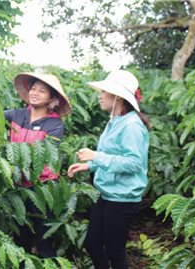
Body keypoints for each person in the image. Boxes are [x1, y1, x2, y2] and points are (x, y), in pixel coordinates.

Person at [67, 70, 150, 269]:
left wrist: (96, 156)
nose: (100, 96)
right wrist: (89, 165)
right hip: (109, 194)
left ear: (118, 97)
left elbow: (133, 163)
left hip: (123, 198)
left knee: (115, 251)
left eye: (104, 92)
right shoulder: (116, 120)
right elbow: (112, 154)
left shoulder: (131, 125)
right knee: (93, 244)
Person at [4, 72, 72, 259]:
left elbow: (46, 155)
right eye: (33, 88)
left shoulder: (54, 125)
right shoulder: (16, 115)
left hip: (43, 188)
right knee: (20, 237)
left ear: (51, 98)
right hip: (18, 187)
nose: (35, 92)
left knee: (44, 240)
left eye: (42, 91)